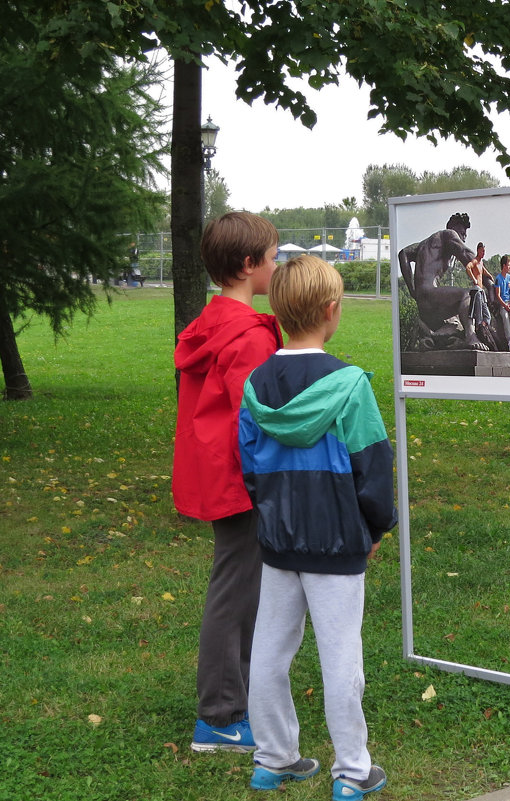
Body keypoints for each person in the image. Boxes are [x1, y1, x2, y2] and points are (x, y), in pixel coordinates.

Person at [238, 254, 397, 799]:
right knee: (340, 658)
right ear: (332, 311)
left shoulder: (256, 384)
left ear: (278, 311)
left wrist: (271, 516)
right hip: (336, 545)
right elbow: (373, 466)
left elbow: (250, 469)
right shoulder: (350, 385)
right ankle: (352, 772)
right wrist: (377, 528)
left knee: (269, 653)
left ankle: (273, 758)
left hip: (279, 542)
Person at [173, 211, 283, 754]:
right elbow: (261, 417)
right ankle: (218, 717)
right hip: (243, 482)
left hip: (224, 476)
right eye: (272, 256)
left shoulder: (212, 324)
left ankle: (234, 702)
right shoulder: (248, 337)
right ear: (248, 266)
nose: (276, 264)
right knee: (235, 593)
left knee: (242, 589)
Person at [397, 212, 488, 351]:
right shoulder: (449, 234)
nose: (463, 238)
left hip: (425, 303)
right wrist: (489, 283)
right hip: (429, 295)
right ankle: (471, 337)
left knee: (458, 320)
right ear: (452, 227)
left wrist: (412, 290)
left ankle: (435, 337)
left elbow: (403, 254)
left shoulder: (425, 244)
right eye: (462, 233)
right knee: (469, 295)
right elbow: (466, 254)